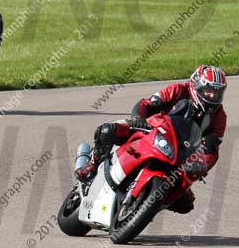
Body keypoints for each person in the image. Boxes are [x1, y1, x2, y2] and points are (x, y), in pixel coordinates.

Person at [77, 65, 228, 214]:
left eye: (217, 92)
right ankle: (93, 164)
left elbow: (212, 149)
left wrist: (202, 166)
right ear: (196, 85)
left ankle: (146, 207)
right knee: (108, 130)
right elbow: (147, 104)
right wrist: (138, 118)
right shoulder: (178, 90)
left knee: (185, 204)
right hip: (152, 130)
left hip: (178, 156)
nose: (212, 96)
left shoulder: (219, 116)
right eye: (209, 91)